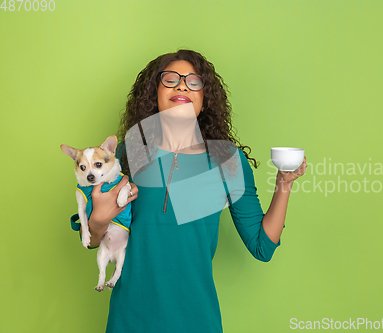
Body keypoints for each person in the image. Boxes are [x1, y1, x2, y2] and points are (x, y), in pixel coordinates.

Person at [70, 49, 307, 332]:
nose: (182, 85)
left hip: (196, 320)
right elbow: (97, 240)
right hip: (130, 319)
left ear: (205, 100)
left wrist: (284, 183)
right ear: (153, 94)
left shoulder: (227, 160)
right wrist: (97, 222)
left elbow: (262, 245)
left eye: (194, 81)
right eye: (170, 79)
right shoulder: (126, 154)